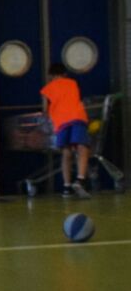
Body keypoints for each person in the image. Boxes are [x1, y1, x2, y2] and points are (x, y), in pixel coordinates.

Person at [41, 62, 92, 197]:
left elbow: (45, 109)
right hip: (77, 117)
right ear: (65, 74)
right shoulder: (72, 83)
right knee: (82, 147)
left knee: (66, 152)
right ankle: (80, 180)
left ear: (50, 75)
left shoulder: (47, 89)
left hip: (61, 122)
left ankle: (66, 186)